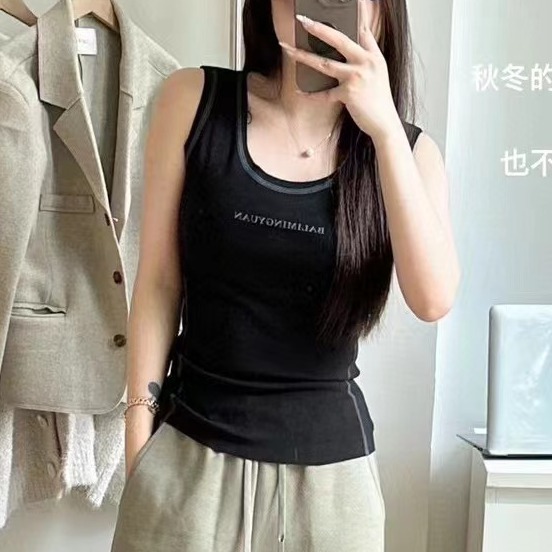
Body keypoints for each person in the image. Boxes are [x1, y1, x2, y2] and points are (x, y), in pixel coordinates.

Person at [110, 0, 460, 550]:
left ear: (383, 13)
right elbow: (158, 283)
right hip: (186, 460)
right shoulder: (192, 101)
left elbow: (433, 298)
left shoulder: (410, 153)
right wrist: (139, 448)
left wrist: (385, 131)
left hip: (332, 489)